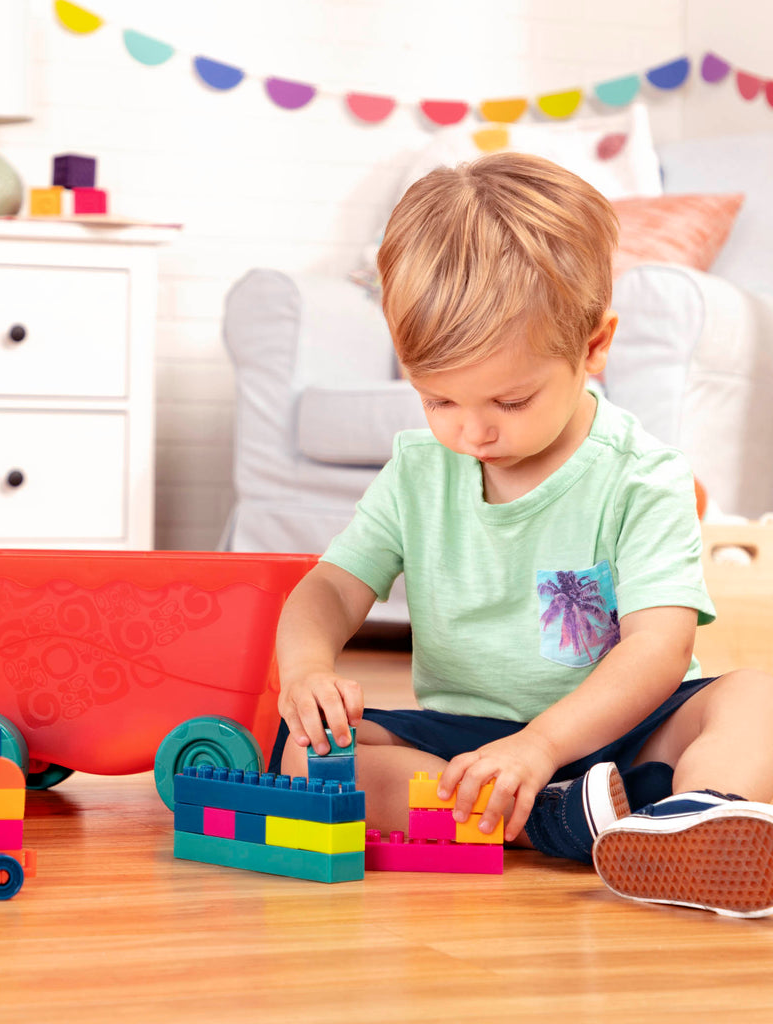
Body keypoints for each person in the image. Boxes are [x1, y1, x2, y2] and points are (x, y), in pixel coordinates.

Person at [272, 152, 773, 918]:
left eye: (509, 401)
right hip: (468, 743)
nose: (471, 432)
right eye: (439, 400)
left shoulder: (642, 475)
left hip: (630, 731)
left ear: (594, 347)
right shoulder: (418, 470)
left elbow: (659, 648)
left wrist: (542, 745)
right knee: (305, 759)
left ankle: (697, 815)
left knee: (759, 697)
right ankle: (554, 819)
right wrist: (306, 668)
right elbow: (332, 588)